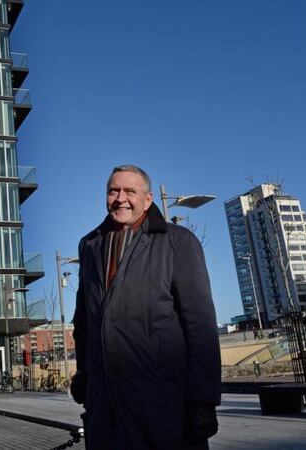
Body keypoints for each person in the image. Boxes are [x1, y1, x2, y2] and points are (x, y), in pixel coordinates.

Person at [71, 165, 221, 449]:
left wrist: (203, 400)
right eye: (113, 190)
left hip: (163, 405)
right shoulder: (89, 246)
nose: (120, 198)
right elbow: (84, 322)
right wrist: (84, 374)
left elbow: (200, 325)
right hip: (104, 406)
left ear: (148, 199)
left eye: (130, 191)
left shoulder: (178, 242)